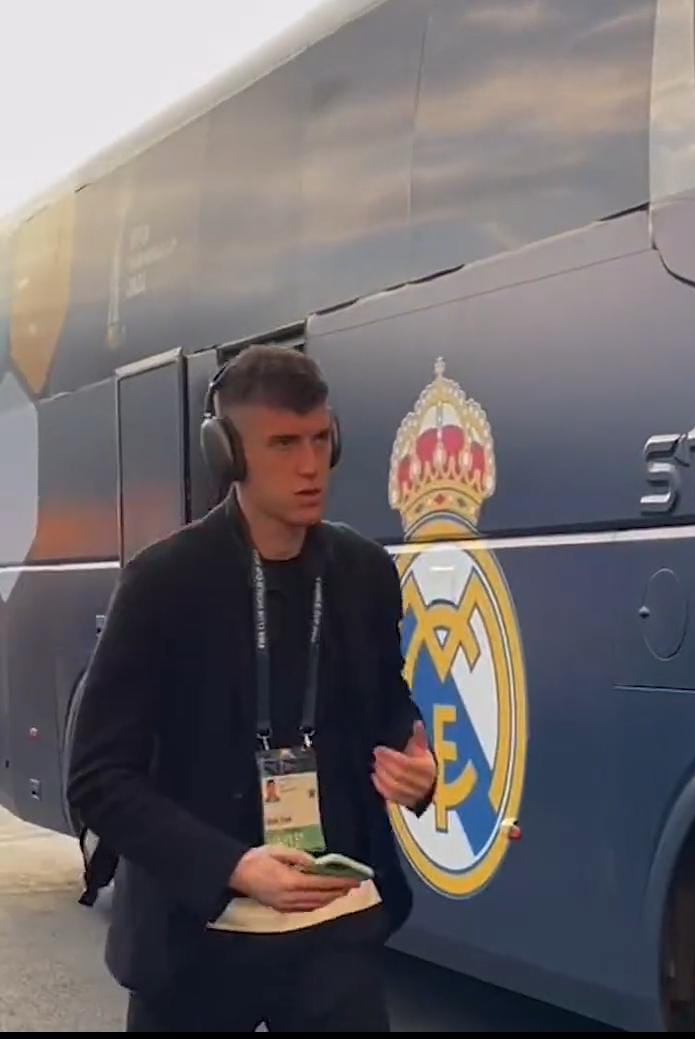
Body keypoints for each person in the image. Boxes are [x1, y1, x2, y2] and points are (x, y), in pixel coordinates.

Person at [67, 345, 436, 1032]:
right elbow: (97, 779)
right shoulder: (161, 583)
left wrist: (415, 764)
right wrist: (234, 865)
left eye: (321, 439)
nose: (310, 464)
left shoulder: (364, 571)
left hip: (337, 930)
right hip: (194, 942)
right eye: (284, 444)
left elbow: (387, 703)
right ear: (228, 454)